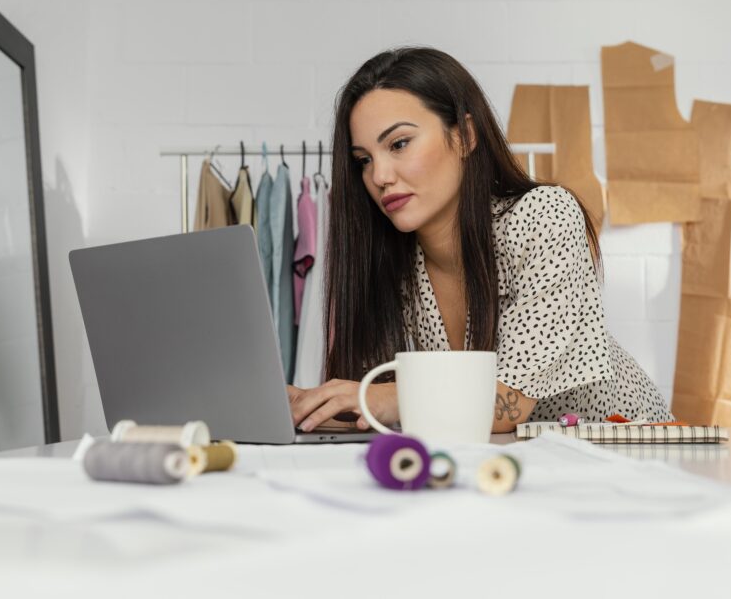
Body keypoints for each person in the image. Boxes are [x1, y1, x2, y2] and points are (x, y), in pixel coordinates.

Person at [288, 47, 673, 433]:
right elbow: (383, 414)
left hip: (632, 455)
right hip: (519, 468)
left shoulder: (544, 216)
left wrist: (385, 395)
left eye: (399, 143)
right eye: (363, 160)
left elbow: (507, 407)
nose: (380, 176)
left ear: (466, 135)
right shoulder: (395, 261)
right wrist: (308, 409)